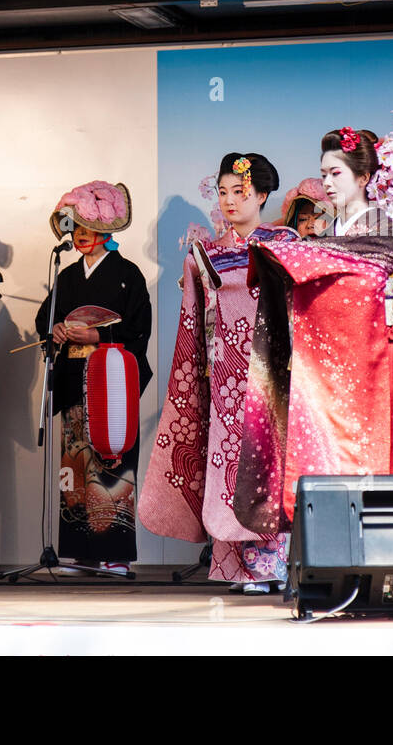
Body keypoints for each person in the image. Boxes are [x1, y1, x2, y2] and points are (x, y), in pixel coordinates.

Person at [233, 112, 393, 536]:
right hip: (326, 364)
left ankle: (363, 558)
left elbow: (357, 279)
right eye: (322, 172)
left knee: (360, 459)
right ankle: (323, 554)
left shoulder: (379, 225)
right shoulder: (330, 229)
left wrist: (295, 256)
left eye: (336, 173)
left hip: (370, 362)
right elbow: (318, 270)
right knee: (319, 457)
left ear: (363, 177)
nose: (327, 182)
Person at [141, 153, 295, 594]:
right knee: (225, 462)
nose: (230, 200)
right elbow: (196, 313)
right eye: (223, 192)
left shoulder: (282, 244)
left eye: (240, 192)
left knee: (266, 463)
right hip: (224, 374)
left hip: (269, 371)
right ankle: (233, 565)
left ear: (262, 195)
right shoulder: (207, 252)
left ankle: (268, 563)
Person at [36, 180, 152, 576]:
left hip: (112, 379)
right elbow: (44, 319)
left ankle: (115, 551)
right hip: (73, 377)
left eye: (90, 231)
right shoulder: (67, 277)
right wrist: (57, 331)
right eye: (77, 231)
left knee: (112, 459)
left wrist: (98, 335)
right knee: (75, 463)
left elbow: (139, 330)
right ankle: (81, 551)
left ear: (107, 233)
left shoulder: (127, 275)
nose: (82, 238)